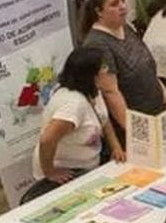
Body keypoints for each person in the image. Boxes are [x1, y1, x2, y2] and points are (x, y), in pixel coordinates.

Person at [81, 0, 166, 149]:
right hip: (132, 128)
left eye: (123, 0)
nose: (122, 6)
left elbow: (146, 63)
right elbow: (110, 93)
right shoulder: (97, 44)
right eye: (115, 4)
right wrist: (136, 132)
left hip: (156, 111)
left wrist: (163, 91)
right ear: (99, 11)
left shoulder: (125, 26)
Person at [22, 48, 111, 203]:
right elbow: (47, 140)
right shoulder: (73, 105)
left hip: (88, 167)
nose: (107, 70)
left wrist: (116, 147)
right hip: (68, 173)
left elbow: (104, 119)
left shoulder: (93, 91)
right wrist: (50, 172)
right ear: (92, 75)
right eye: (103, 67)